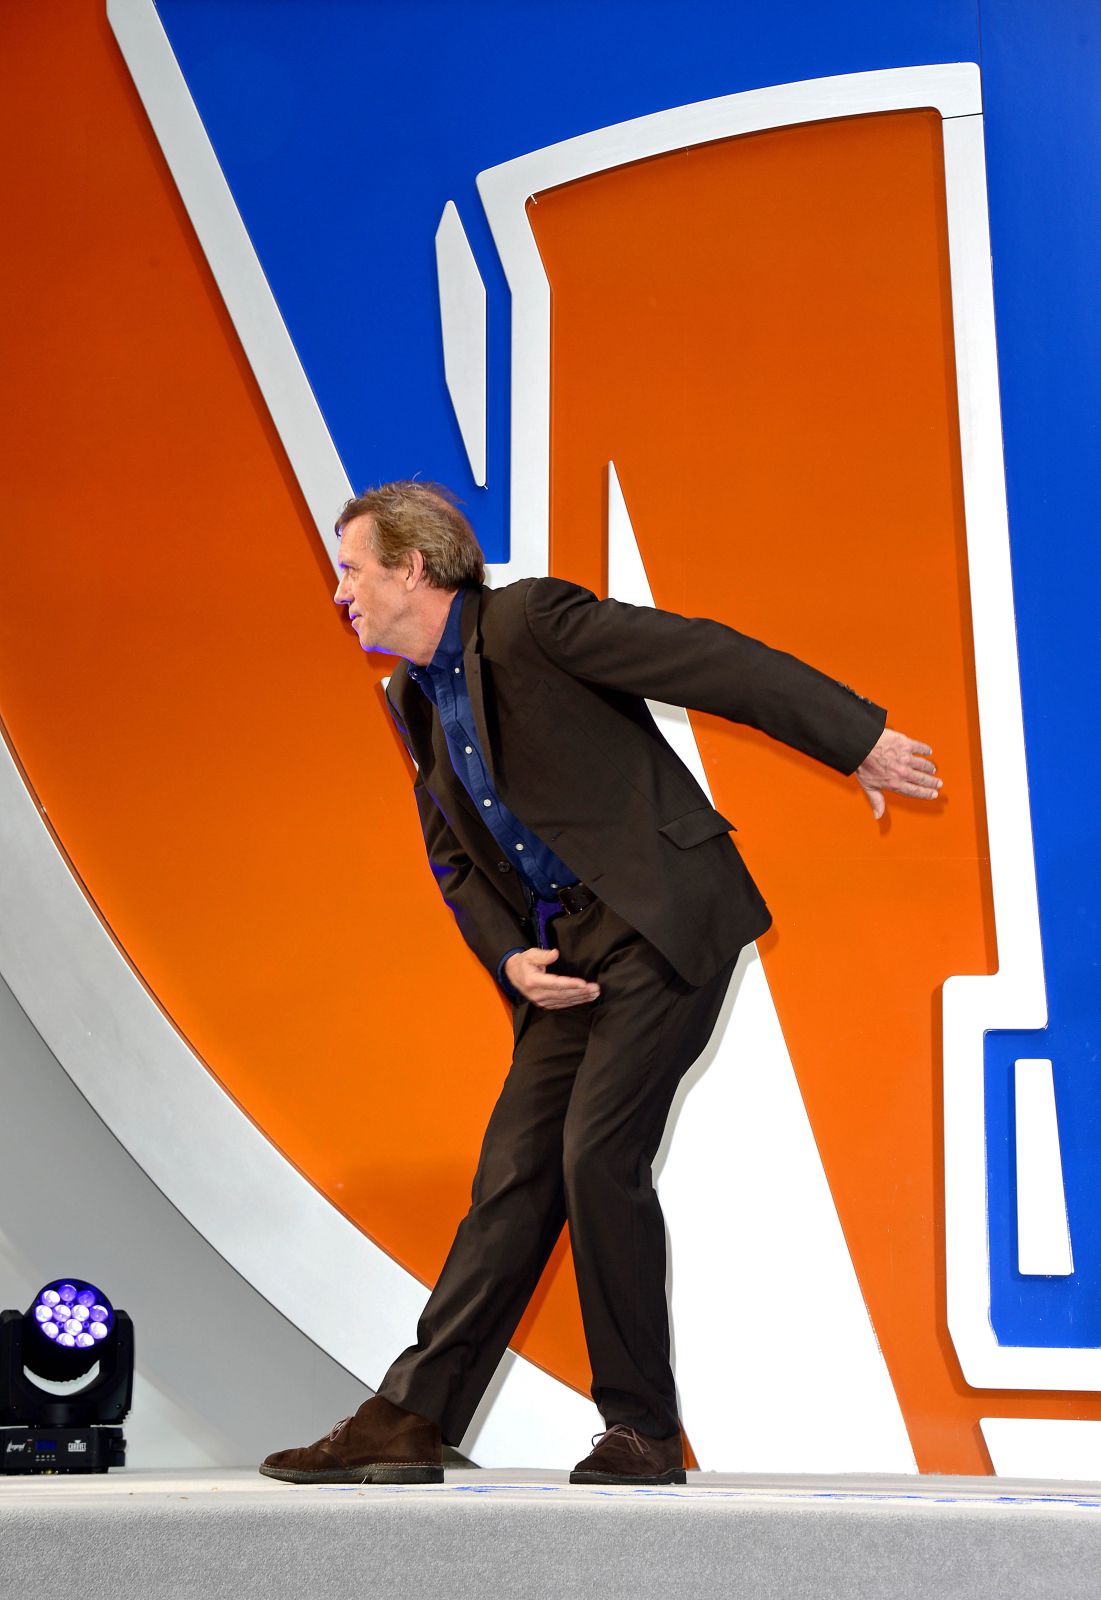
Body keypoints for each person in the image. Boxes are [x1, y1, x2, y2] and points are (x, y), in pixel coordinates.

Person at [260, 481, 941, 1487]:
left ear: (412, 566)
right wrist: (509, 956)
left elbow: (707, 657)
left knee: (595, 1154)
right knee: (514, 1176)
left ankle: (641, 1430)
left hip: (661, 917)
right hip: (563, 956)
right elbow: (451, 853)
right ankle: (410, 1417)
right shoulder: (413, 698)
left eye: (352, 568)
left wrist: (854, 739)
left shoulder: (530, 621)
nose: (340, 592)